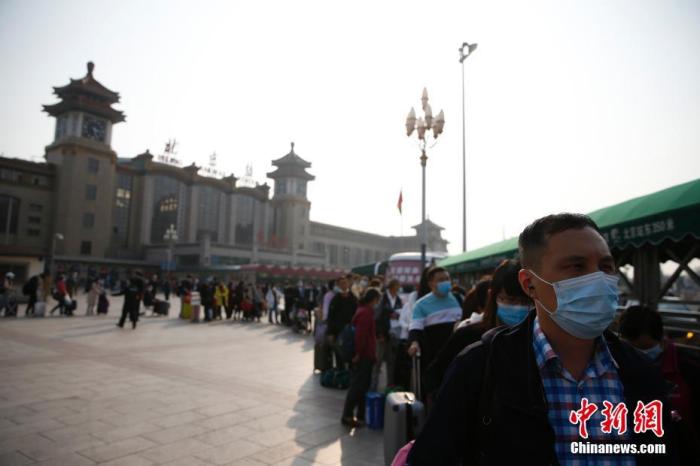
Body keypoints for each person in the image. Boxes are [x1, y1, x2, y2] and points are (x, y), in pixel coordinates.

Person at [407, 213, 675, 465]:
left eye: (606, 267)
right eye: (576, 266)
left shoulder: (642, 373)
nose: (598, 278)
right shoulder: (480, 368)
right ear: (529, 284)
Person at [425, 260, 531, 396]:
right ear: (492, 297)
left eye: (525, 302)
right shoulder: (468, 337)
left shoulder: (540, 339)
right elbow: (433, 376)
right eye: (510, 300)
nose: (518, 307)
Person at [619, 305, 700, 462]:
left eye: (643, 348)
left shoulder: (688, 368)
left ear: (659, 337)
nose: (637, 356)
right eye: (631, 348)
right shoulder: (616, 365)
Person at [407, 266, 463, 399]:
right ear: (431, 283)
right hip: (434, 357)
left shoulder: (458, 298)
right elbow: (415, 327)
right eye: (441, 280)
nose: (446, 282)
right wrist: (414, 343)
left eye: (447, 279)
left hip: (457, 356)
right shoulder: (421, 304)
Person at [341, 288, 381, 428]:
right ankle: (347, 415)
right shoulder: (365, 313)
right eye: (377, 300)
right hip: (363, 356)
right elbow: (361, 336)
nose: (378, 302)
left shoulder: (363, 310)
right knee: (358, 386)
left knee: (362, 386)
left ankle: (360, 415)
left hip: (365, 354)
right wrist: (358, 354)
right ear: (374, 299)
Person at [371, 279, 403, 391]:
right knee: (378, 361)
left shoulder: (398, 299)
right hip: (382, 334)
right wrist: (379, 334)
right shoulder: (383, 298)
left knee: (391, 361)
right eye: (397, 285)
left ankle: (389, 386)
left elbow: (401, 313)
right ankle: (373, 387)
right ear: (392, 287)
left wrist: (398, 315)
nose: (399, 287)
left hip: (394, 333)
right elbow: (377, 317)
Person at [327, 276, 359, 369]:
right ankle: (341, 375)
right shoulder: (335, 299)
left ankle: (350, 375)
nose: (344, 285)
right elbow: (331, 317)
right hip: (338, 332)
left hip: (351, 331)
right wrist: (330, 333)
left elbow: (357, 313)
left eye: (345, 283)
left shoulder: (353, 297)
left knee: (351, 352)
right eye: (341, 283)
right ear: (338, 285)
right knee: (339, 354)